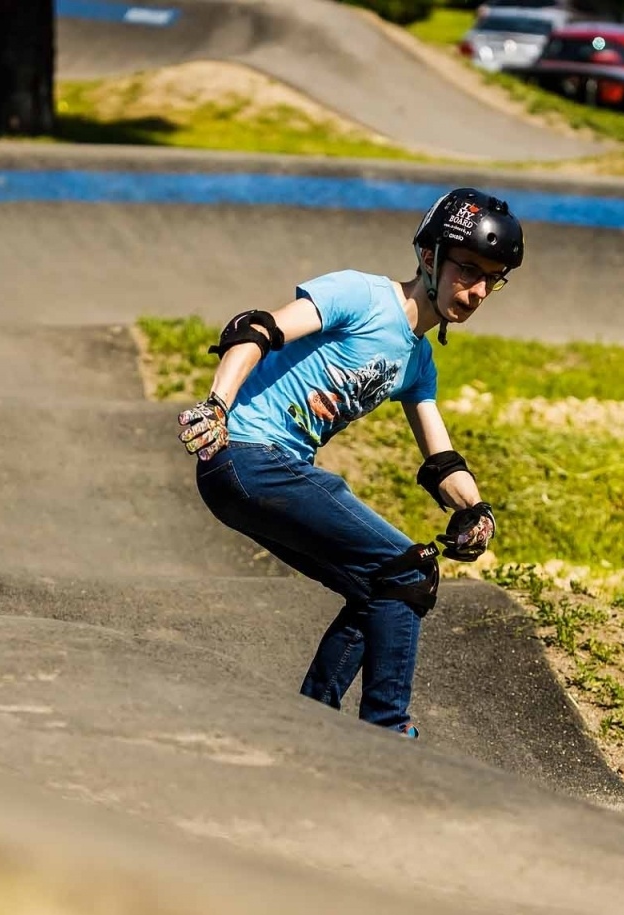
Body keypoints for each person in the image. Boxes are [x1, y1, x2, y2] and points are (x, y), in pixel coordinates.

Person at [177, 188, 524, 739]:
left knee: (380, 587)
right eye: (468, 270)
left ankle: (310, 725)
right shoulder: (360, 295)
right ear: (430, 257)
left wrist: (476, 510)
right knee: (409, 570)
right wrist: (217, 404)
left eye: (492, 278)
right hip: (247, 452)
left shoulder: (418, 361)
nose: (477, 290)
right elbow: (254, 329)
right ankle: (387, 737)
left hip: (254, 472)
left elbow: (441, 460)